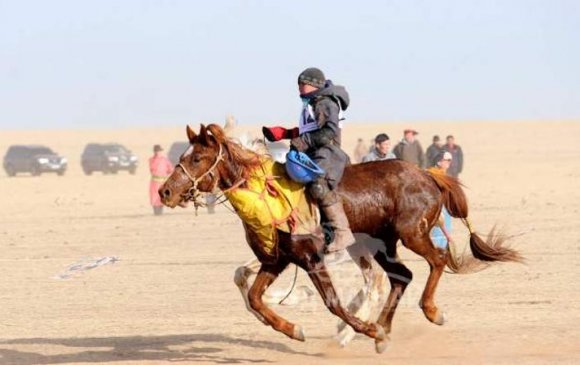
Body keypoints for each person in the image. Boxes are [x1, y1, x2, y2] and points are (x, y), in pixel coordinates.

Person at [262, 67, 354, 253]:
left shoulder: (325, 102)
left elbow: (329, 132)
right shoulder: (312, 102)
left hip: (328, 152)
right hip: (314, 150)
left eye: (302, 84)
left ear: (313, 85)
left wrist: (302, 141)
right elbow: (310, 130)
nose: (299, 88)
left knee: (318, 185)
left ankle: (342, 232)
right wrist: (284, 133)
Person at [428, 151, 454, 248]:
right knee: (437, 231)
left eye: (450, 160)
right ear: (439, 162)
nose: (449, 162)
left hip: (445, 207)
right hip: (437, 206)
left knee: (446, 228)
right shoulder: (432, 174)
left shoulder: (444, 174)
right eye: (447, 160)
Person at [149, 145, 173, 215]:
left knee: (162, 196)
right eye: (156, 151)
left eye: (159, 151)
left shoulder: (165, 160)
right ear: (154, 151)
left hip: (162, 181)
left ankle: (160, 212)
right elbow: (152, 169)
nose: (158, 152)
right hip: (154, 181)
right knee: (154, 196)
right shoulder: (151, 160)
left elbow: (170, 169)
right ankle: (156, 212)